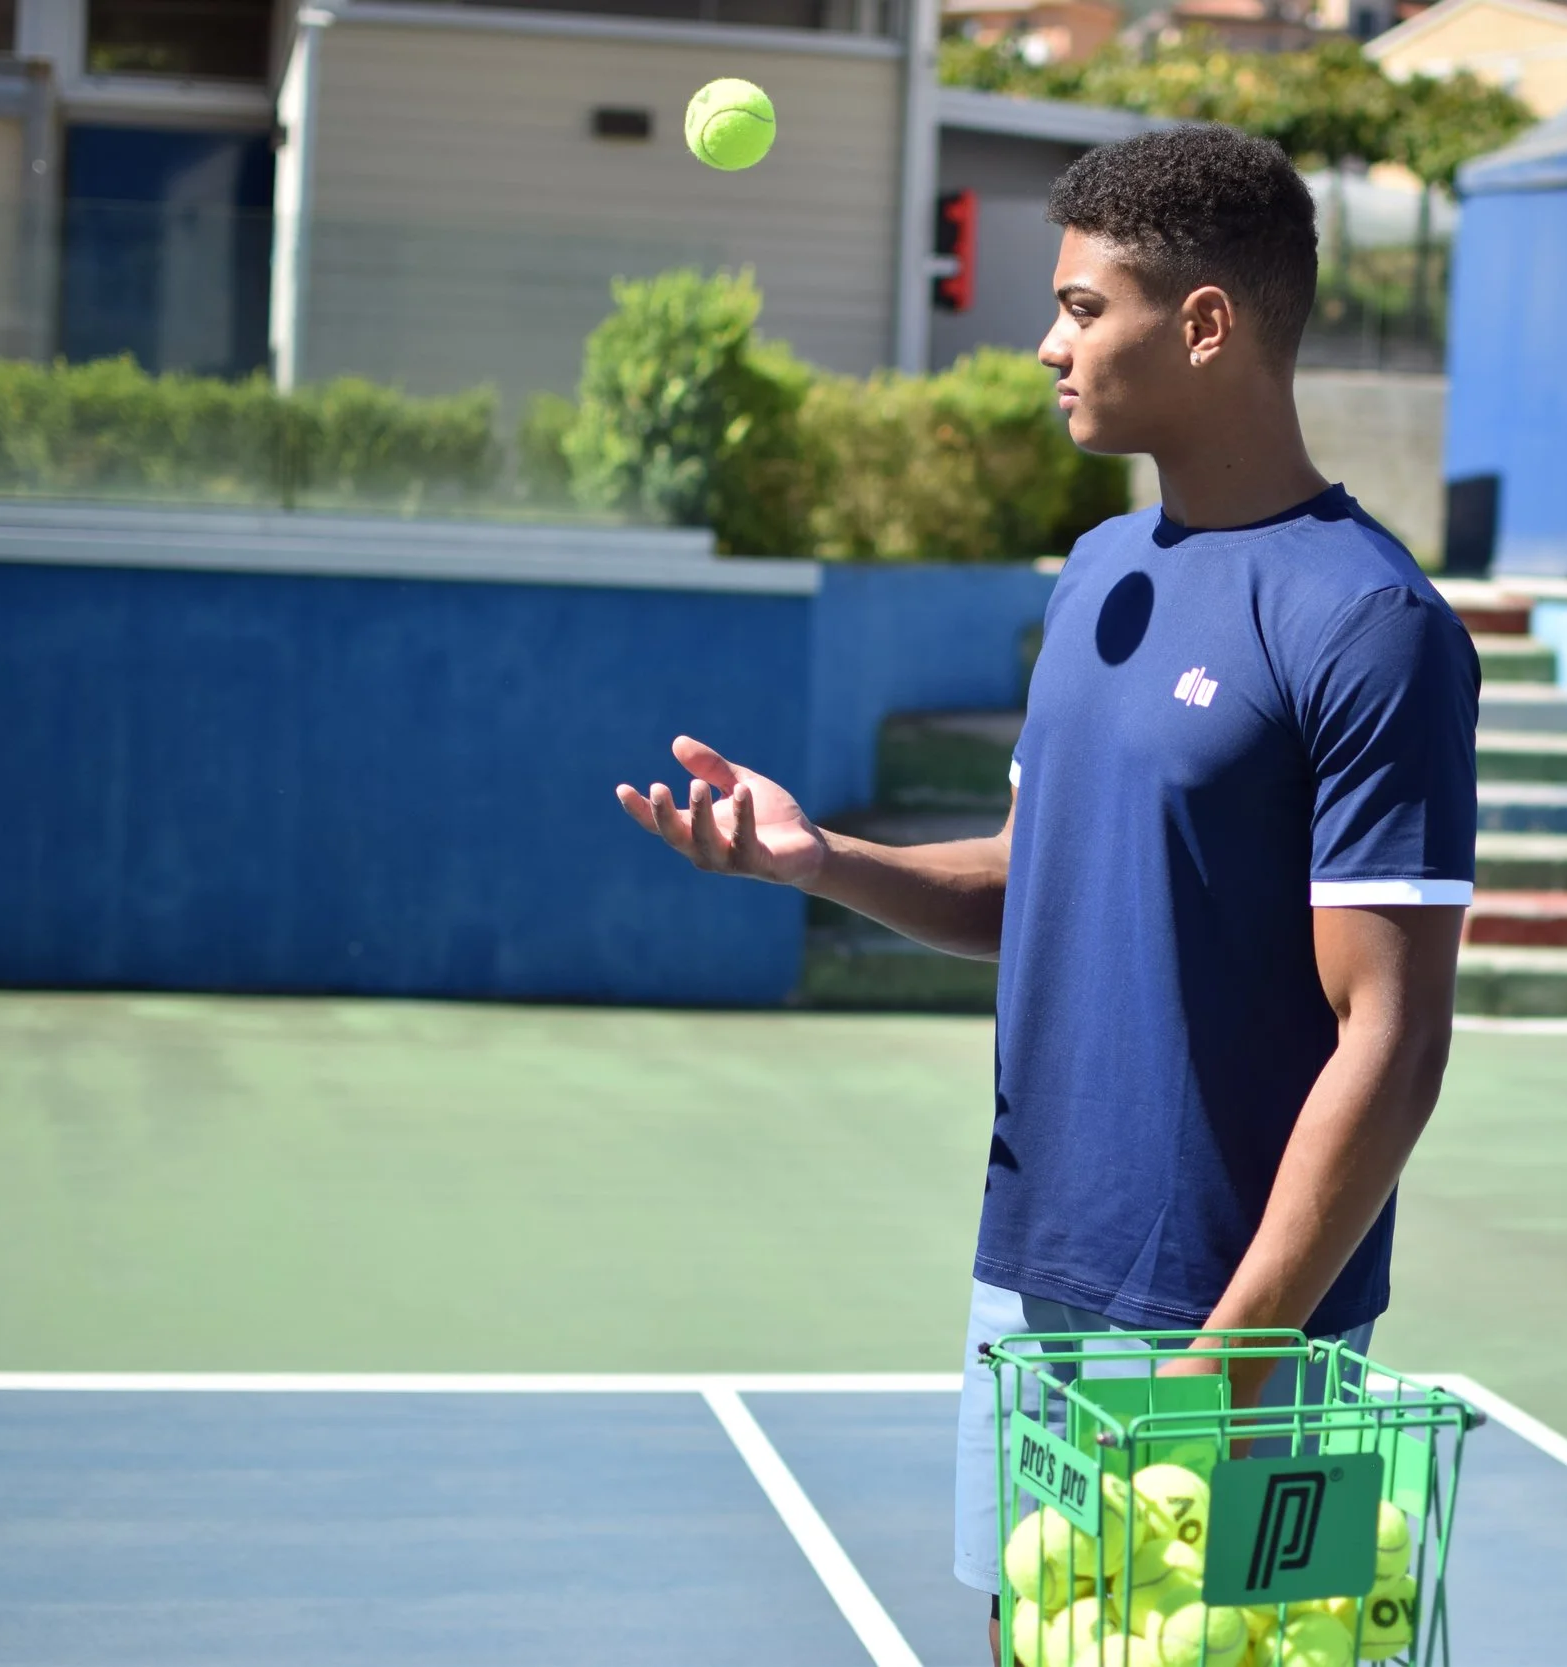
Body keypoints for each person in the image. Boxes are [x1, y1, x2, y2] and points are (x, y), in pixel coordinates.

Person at [615, 123, 1478, 1660]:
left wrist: (1245, 1349)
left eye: (1084, 308)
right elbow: (1036, 883)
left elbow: (1393, 1037)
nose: (1044, 344)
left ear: (1203, 324)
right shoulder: (1098, 575)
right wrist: (823, 862)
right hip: (1037, 1278)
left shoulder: (1371, 622)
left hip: (1238, 1325)